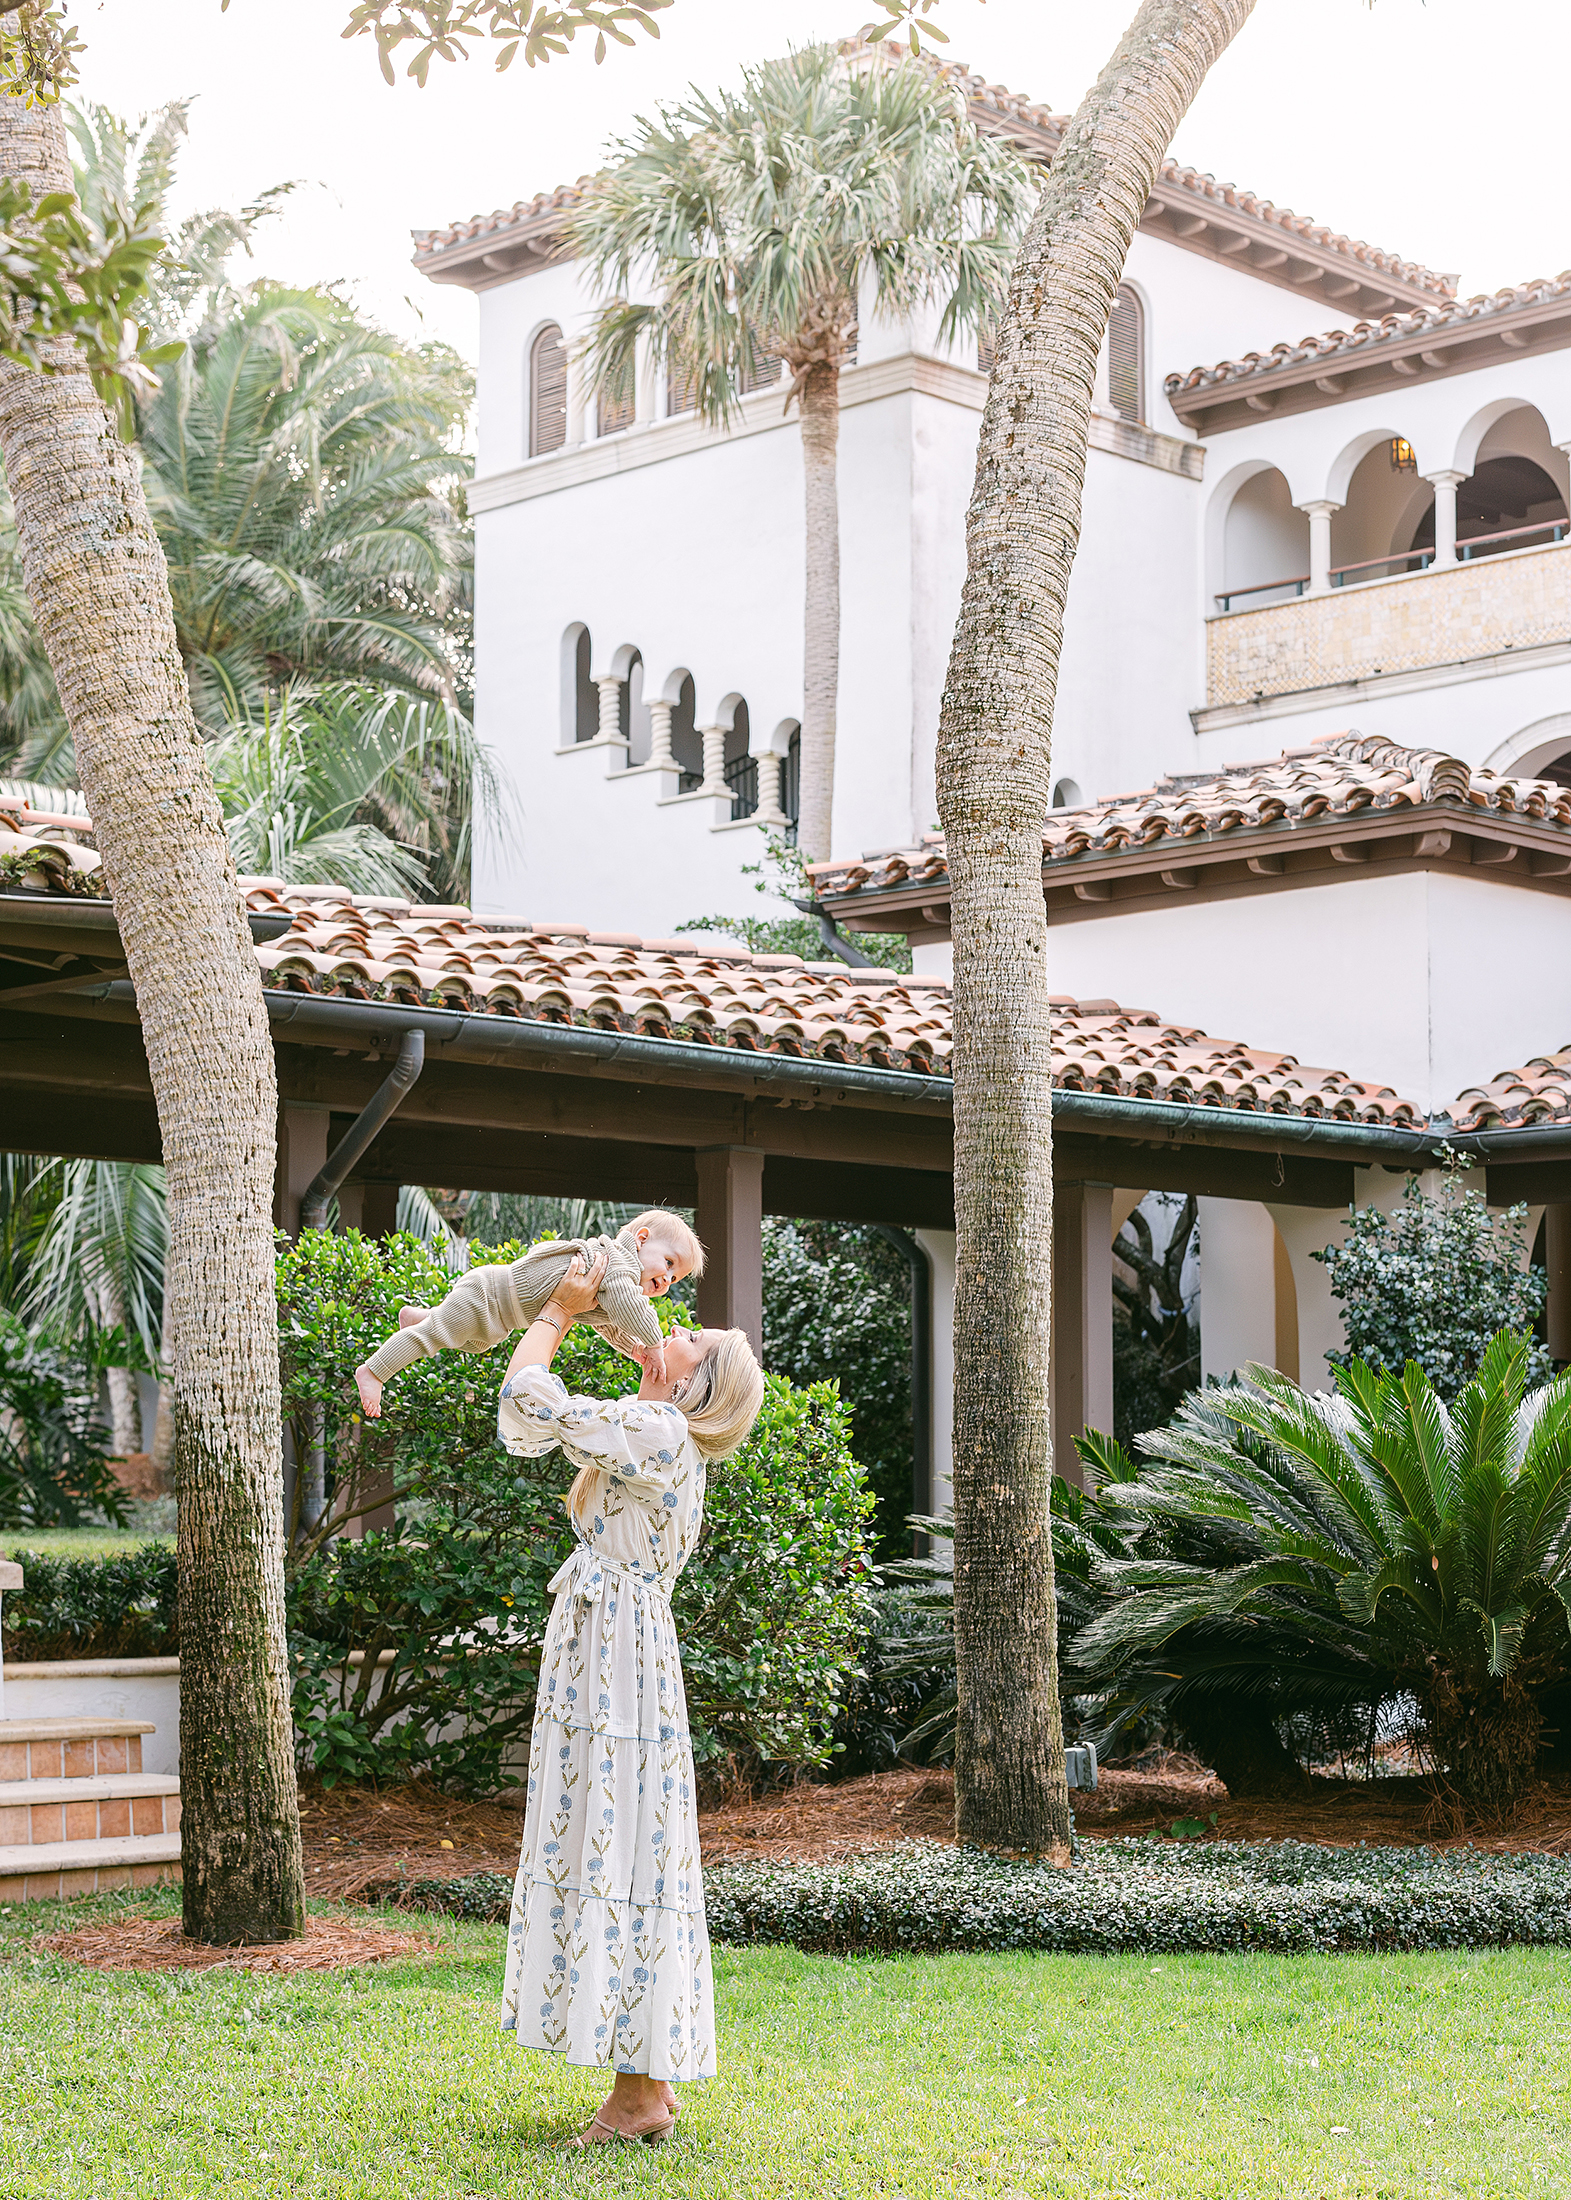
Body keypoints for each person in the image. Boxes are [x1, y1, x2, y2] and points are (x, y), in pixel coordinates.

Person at [495, 1246, 765, 2147]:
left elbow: (528, 1405)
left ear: (696, 1388)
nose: (673, 1328)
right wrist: (611, 1318)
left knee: (619, 1847)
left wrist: (559, 1315)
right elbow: (541, 1426)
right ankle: (644, 2080)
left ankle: (639, 2094)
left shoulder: (657, 1433)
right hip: (611, 1644)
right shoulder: (655, 1427)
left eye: (691, 1338)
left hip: (615, 1654)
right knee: (621, 1841)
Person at [353, 1210, 702, 1418]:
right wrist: (654, 1343)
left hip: (501, 1318)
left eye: (675, 1278)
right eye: (668, 1263)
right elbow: (628, 1303)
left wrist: (635, 1350)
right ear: (640, 1239)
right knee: (433, 1339)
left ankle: (422, 1318)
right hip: (488, 1295)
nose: (666, 1279)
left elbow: (610, 1325)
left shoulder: (615, 1284)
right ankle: (374, 1371)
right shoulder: (617, 1262)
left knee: (474, 1344)